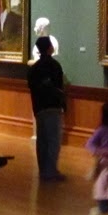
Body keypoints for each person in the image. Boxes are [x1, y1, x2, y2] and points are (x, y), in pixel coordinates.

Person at [27, 35, 66, 181]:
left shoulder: (34, 68)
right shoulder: (54, 65)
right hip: (53, 106)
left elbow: (32, 87)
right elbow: (59, 87)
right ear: (50, 48)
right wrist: (62, 103)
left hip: (39, 107)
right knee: (53, 141)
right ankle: (51, 171)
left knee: (42, 140)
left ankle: (43, 170)